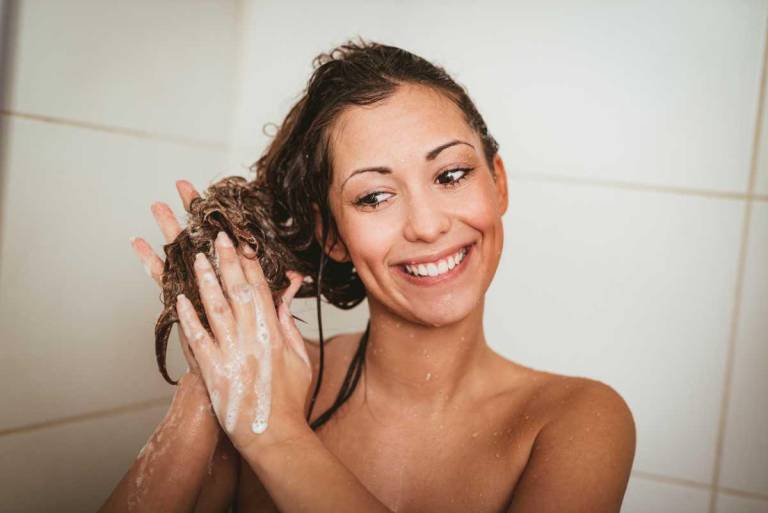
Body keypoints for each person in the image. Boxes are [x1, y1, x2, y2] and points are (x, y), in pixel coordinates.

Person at [99, 38, 636, 513]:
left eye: (451, 174)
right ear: (331, 233)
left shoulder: (575, 422)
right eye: (374, 196)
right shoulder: (259, 377)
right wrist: (213, 369)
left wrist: (275, 434)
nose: (427, 226)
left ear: (497, 183)